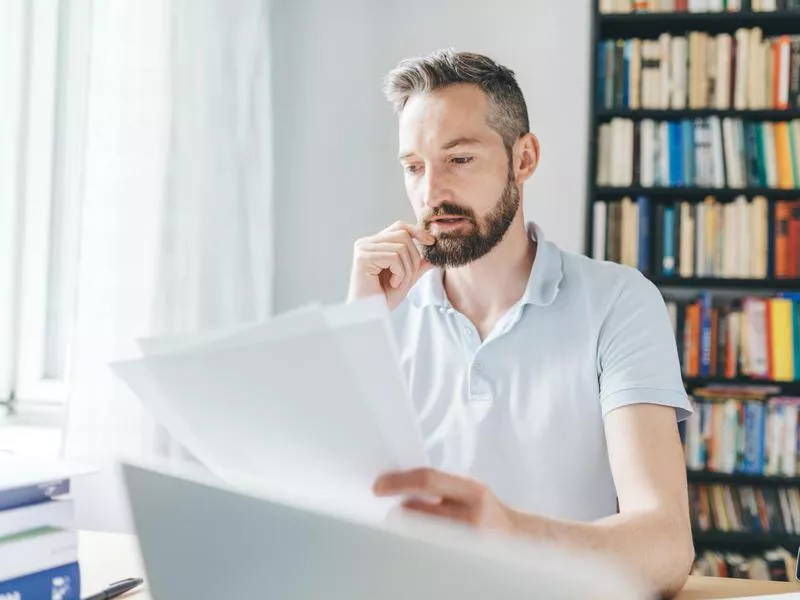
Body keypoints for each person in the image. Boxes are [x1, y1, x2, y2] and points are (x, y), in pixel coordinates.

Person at [347, 48, 694, 597]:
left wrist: (512, 532)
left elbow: (668, 546)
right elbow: (336, 522)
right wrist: (357, 330)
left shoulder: (618, 301)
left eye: (459, 159)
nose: (431, 192)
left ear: (524, 158)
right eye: (414, 166)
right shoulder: (376, 312)